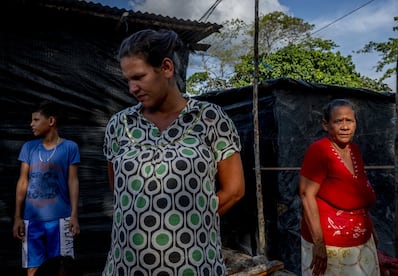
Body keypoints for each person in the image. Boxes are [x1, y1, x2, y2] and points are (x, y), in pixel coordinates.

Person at [102, 29, 245, 276]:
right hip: (127, 265)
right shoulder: (119, 125)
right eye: (128, 80)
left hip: (194, 264)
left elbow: (234, 190)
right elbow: (119, 188)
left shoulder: (211, 118)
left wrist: (187, 221)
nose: (132, 88)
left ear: (166, 68)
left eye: (139, 77)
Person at [299, 98, 380, 275]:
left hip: (361, 241)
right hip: (332, 248)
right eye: (338, 121)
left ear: (355, 123)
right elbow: (306, 195)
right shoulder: (319, 151)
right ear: (326, 125)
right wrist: (319, 245)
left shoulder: (354, 150)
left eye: (349, 120)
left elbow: (360, 193)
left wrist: (371, 229)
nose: (345, 126)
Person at [12, 101, 81, 276]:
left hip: (60, 220)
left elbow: (73, 181)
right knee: (33, 268)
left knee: (62, 268)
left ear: (51, 121)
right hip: (32, 220)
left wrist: (74, 215)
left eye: (36, 120)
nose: (31, 124)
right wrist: (18, 217)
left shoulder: (69, 147)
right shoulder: (29, 148)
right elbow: (22, 182)